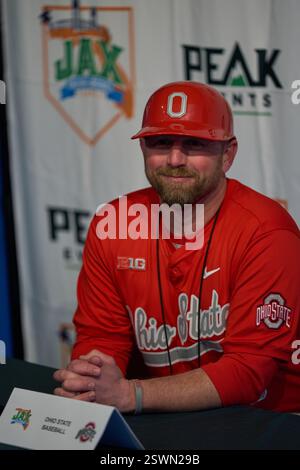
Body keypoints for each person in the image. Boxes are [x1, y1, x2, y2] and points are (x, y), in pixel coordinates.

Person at [53, 81, 300, 414]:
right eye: (161, 142)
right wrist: (91, 380)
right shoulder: (114, 222)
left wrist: (130, 395)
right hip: (163, 414)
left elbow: (248, 371)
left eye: (195, 144)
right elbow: (103, 335)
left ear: (227, 154)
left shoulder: (266, 231)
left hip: (266, 420)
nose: (174, 158)